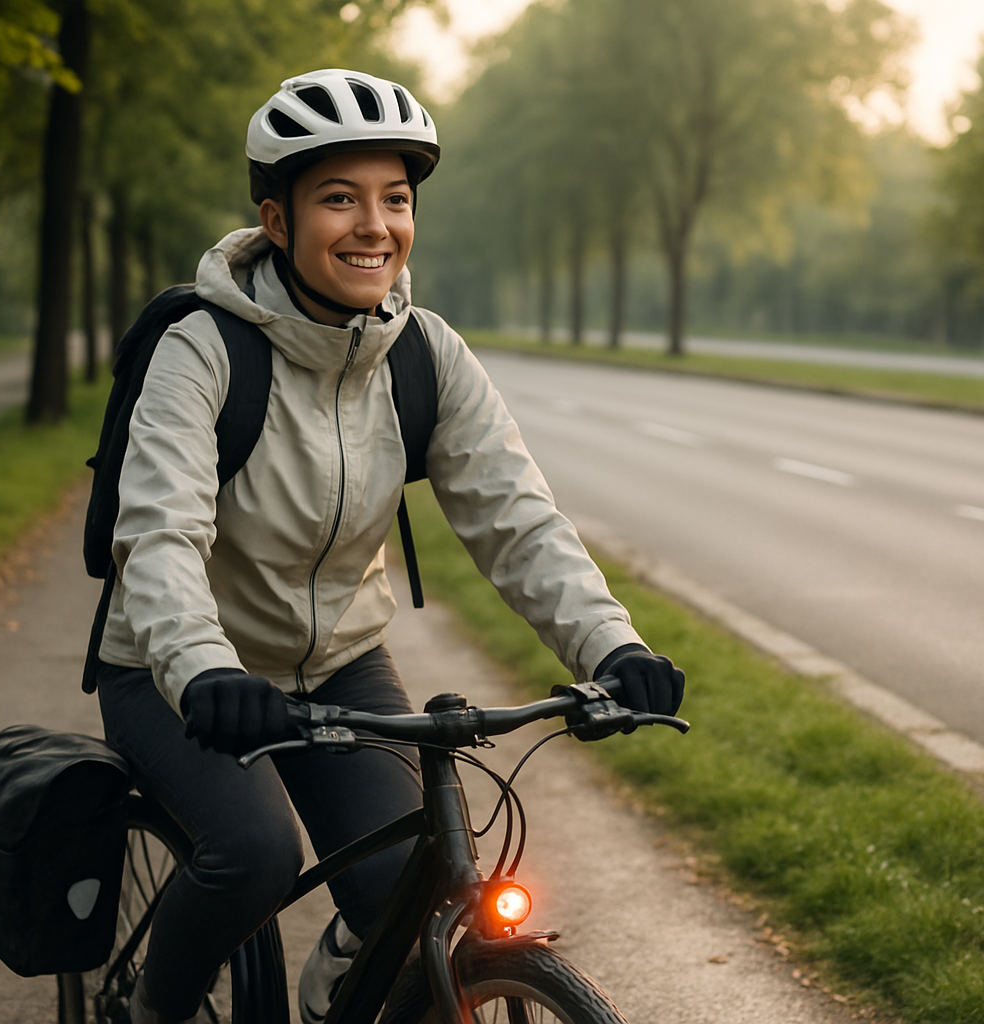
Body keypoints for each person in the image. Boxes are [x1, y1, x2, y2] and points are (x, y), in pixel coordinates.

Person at [94, 68, 685, 1024]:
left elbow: (516, 516)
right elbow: (160, 533)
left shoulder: (423, 353)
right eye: (339, 198)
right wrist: (203, 670)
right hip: (179, 670)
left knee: (412, 890)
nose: (374, 225)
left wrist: (610, 647)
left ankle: (345, 989)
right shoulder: (201, 348)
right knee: (253, 853)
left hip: (338, 665)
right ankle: (153, 1012)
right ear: (277, 222)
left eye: (395, 199)